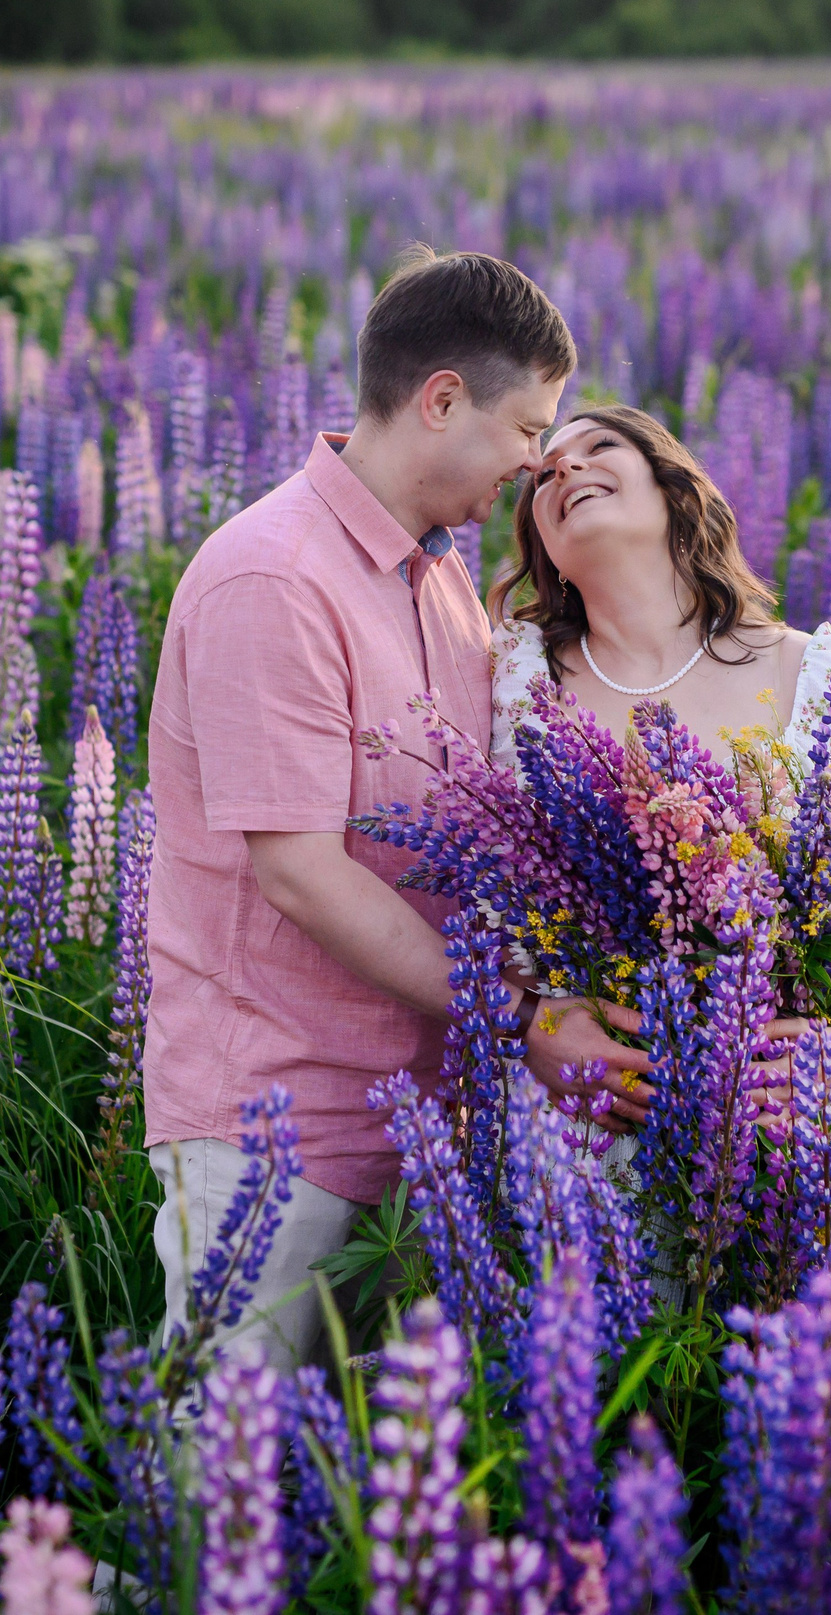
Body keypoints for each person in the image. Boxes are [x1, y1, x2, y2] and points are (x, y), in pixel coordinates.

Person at [142, 248, 636, 1373]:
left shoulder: (435, 573)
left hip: (416, 1117)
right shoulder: (273, 576)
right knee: (223, 1495)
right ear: (442, 399)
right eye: (526, 427)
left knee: (356, 1511)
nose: (534, 461)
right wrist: (523, 1018)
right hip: (273, 1123)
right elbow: (303, 873)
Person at [486, 402, 831, 1124]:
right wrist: (536, 1026)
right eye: (543, 473)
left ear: (672, 490)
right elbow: (465, 908)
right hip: (570, 1134)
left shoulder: (814, 673)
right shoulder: (511, 684)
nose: (564, 466)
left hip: (764, 1130)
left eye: (599, 447)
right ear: (542, 546)